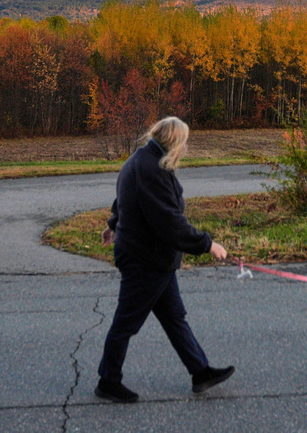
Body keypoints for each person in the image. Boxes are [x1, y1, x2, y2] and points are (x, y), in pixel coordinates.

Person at [95, 116, 234, 403]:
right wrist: (208, 244)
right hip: (145, 259)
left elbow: (124, 199)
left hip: (154, 259)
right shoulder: (153, 169)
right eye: (183, 142)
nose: (185, 148)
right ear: (173, 141)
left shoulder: (140, 159)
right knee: (125, 323)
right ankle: (108, 382)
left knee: (174, 317)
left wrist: (112, 224)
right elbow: (169, 221)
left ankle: (201, 372)